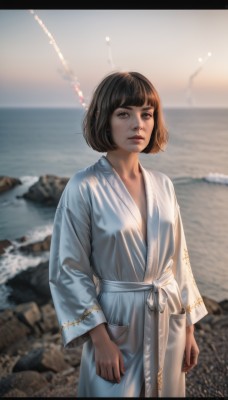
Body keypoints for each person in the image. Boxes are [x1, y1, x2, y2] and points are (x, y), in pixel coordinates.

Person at [49, 71, 208, 397]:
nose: (138, 124)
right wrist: (101, 340)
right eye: (124, 114)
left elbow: (180, 261)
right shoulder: (84, 187)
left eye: (146, 114)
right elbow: (69, 269)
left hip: (168, 320)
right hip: (118, 324)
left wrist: (189, 327)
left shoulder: (164, 185)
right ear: (105, 120)